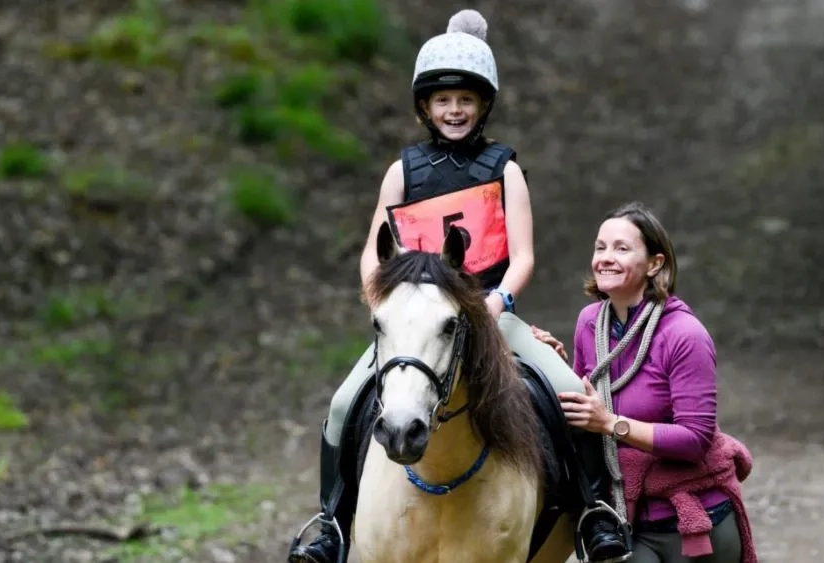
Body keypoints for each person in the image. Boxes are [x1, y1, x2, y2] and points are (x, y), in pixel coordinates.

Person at [288, 9, 629, 563]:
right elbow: (375, 251)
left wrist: (496, 303)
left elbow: (522, 256)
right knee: (345, 400)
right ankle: (331, 522)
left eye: (465, 100)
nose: (454, 110)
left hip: (491, 311)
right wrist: (387, 303)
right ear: (425, 106)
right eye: (443, 101)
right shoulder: (403, 171)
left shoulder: (504, 169)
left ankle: (594, 512)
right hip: (415, 320)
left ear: (483, 105)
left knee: (568, 391)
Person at [531, 201, 757, 563]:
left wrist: (610, 424)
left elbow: (695, 439)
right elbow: (596, 400)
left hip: (693, 525)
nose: (606, 257)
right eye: (600, 247)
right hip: (626, 521)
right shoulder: (590, 323)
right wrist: (557, 368)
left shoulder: (684, 334)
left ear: (655, 263)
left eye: (622, 248)